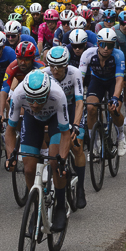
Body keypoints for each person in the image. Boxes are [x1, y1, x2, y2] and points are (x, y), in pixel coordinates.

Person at [4, 69, 73, 231]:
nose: (35, 104)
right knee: (28, 169)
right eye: (31, 100)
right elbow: (10, 130)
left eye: (40, 99)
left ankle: (61, 206)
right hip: (32, 121)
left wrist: (62, 159)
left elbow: (65, 134)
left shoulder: (58, 94)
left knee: (55, 163)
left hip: (55, 119)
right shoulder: (19, 94)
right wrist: (10, 156)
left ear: (47, 94)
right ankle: (36, 207)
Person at [44, 45, 87, 209]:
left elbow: (79, 102)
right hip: (55, 112)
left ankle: (81, 188)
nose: (55, 70)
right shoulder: (45, 74)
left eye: (59, 67)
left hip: (71, 109)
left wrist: (76, 125)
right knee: (51, 147)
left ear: (66, 65)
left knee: (77, 148)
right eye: (52, 66)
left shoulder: (74, 73)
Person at [79, 27, 126, 155]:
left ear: (114, 45)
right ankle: (94, 142)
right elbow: (80, 78)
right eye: (103, 45)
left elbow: (119, 80)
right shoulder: (88, 54)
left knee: (114, 110)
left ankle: (121, 136)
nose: (106, 49)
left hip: (113, 81)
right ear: (98, 44)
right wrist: (78, 97)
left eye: (110, 45)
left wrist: (115, 98)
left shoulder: (118, 55)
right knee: (90, 108)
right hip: (97, 81)